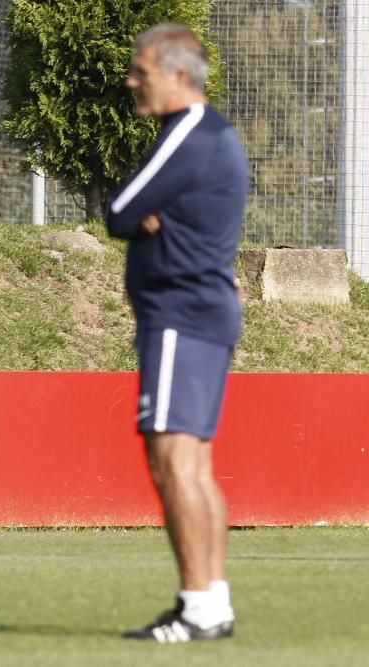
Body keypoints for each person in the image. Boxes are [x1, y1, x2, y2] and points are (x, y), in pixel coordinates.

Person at [105, 24, 248, 643]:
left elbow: (118, 209)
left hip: (179, 314)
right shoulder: (212, 134)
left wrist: (144, 216)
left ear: (178, 75)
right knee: (192, 463)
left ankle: (197, 608)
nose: (133, 81)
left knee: (172, 461)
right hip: (202, 312)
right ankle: (211, 601)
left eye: (142, 70)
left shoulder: (187, 132)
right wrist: (147, 216)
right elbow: (138, 211)